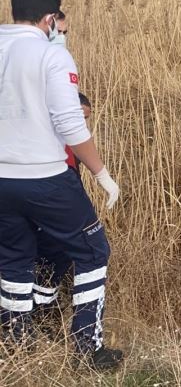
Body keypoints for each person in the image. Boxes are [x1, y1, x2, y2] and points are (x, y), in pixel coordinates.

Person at [0, 0, 121, 368]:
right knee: (93, 251)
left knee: (14, 257)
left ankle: (16, 342)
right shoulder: (52, 56)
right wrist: (101, 173)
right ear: (50, 18)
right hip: (46, 177)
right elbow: (70, 123)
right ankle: (88, 347)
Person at [32, 92, 93, 319]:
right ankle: (42, 314)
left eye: (85, 120)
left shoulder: (73, 146)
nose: (82, 125)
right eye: (79, 118)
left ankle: (44, 311)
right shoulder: (50, 142)